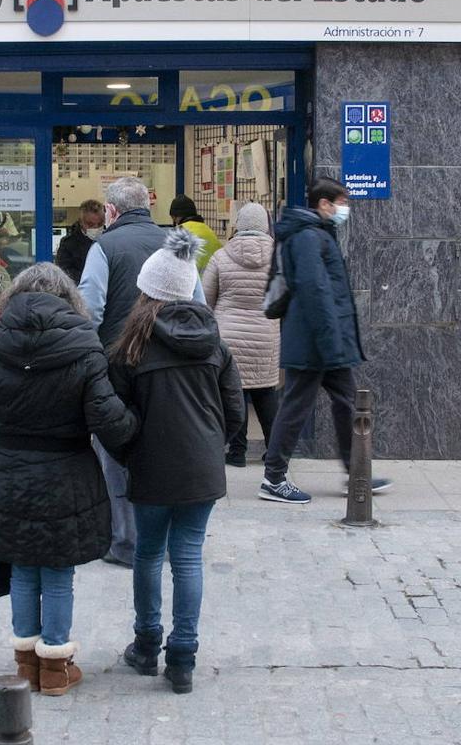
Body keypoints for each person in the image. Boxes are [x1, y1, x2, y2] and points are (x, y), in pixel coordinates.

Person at [0, 262, 138, 697]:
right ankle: (56, 667)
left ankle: (25, 666)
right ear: (69, 300)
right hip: (67, 475)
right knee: (58, 570)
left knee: (22, 566)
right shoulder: (85, 348)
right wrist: (135, 429)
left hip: (8, 472)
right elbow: (108, 421)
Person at [109, 228, 244, 694]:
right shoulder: (214, 343)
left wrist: (129, 454)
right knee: (188, 557)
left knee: (149, 553)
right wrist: (211, 446)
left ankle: (146, 646)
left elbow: (115, 418)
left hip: (150, 467)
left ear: (147, 291)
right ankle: (183, 657)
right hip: (201, 468)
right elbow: (235, 412)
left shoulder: (130, 347)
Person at [79, 177, 205, 568]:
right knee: (165, 448)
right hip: (173, 368)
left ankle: (125, 541)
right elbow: (199, 304)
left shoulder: (103, 247)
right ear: (148, 206)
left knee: (116, 452)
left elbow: (91, 311)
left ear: (112, 211)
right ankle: (166, 538)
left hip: (119, 369)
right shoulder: (176, 245)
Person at [259, 177, 391, 504]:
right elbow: (315, 291)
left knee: (347, 402)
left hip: (322, 340)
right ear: (324, 204)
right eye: (341, 202)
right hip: (314, 341)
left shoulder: (317, 234)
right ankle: (273, 477)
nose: (345, 208)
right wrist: (330, 341)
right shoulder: (307, 237)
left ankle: (355, 470)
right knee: (296, 406)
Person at [202, 201, 281, 467]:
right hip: (266, 336)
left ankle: (237, 452)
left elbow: (205, 300)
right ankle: (275, 451)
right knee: (266, 394)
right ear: (266, 226)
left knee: (236, 393)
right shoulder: (279, 257)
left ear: (238, 225)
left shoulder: (221, 257)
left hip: (228, 337)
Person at [168, 194, 223, 273]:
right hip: (212, 282)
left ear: (175, 216)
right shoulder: (209, 231)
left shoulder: (178, 233)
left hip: (190, 283)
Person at [55, 199, 105, 283]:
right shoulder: (68, 244)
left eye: (100, 224)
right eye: (90, 224)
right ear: (81, 222)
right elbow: (63, 272)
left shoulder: (110, 238)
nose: (96, 228)